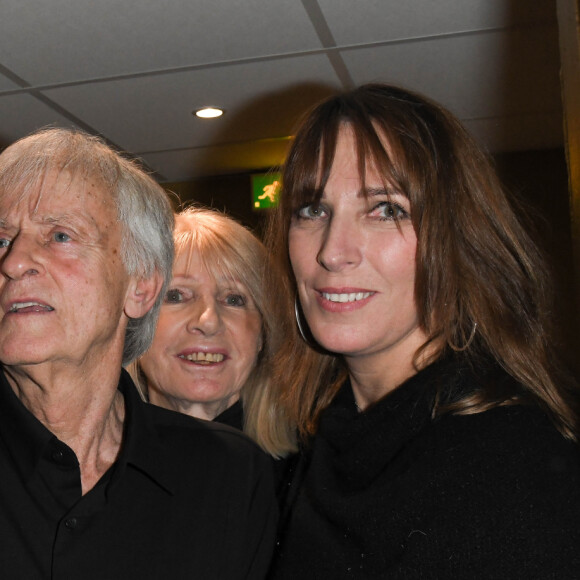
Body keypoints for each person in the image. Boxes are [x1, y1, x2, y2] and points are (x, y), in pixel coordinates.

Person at [266, 83, 580, 578]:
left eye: (386, 209)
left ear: (456, 238)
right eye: (313, 210)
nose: (332, 250)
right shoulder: (332, 438)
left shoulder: (508, 461)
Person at [0, 128, 277, 579]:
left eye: (60, 236)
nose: (12, 262)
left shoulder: (230, 477)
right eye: (0, 240)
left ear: (141, 286)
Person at [129, 206, 296, 458]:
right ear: (135, 325)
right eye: (176, 296)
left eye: (234, 300)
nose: (208, 321)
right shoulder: (85, 471)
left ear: (262, 333)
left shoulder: (309, 479)